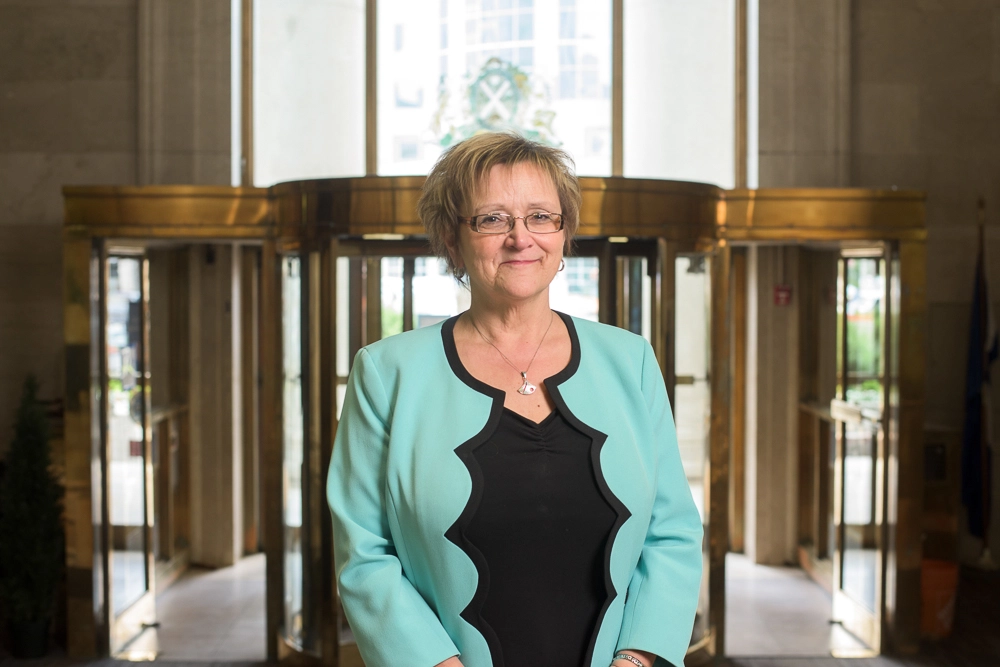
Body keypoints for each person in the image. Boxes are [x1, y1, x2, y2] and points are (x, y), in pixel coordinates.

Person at [327, 132, 703, 667]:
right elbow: (363, 556)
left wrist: (637, 661)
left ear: (563, 233)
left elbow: (672, 533)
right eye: (492, 218)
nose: (520, 238)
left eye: (540, 216)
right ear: (452, 240)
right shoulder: (387, 374)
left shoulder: (630, 362)